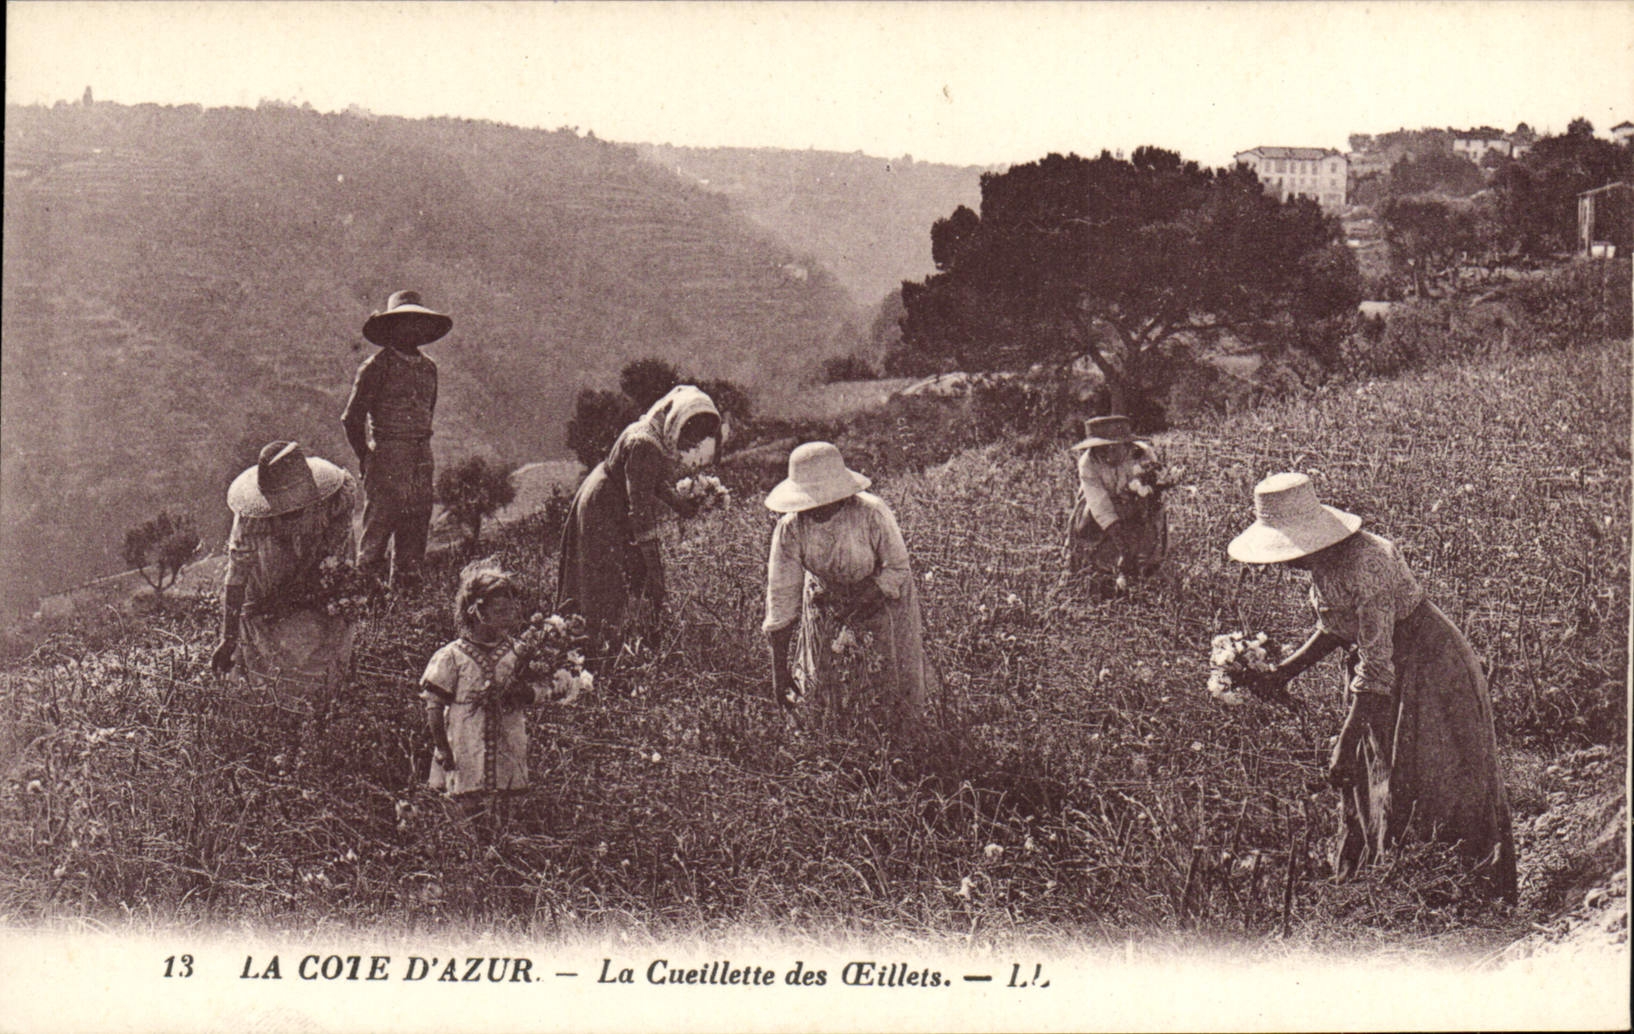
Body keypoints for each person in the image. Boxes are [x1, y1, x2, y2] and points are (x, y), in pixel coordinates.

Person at [1228, 472, 1517, 901]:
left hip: (1428, 666)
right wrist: (1282, 672)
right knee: (1382, 774)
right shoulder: (1323, 563)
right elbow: (1334, 626)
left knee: (1433, 774)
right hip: (1382, 673)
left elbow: (1377, 663)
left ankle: (1456, 889)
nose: (1285, 563)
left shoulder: (1369, 562)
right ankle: (1399, 882)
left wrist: (1346, 739)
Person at [762, 442, 935, 731]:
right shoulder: (791, 529)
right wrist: (779, 672)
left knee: (889, 684)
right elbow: (781, 599)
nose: (814, 508)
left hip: (883, 601)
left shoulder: (870, 513)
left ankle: (899, 741)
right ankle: (837, 739)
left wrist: (864, 599)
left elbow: (898, 567)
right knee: (826, 685)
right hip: (826, 604)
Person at [420, 561, 580, 842]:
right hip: (466, 742)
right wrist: (442, 748)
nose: (508, 617)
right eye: (499, 611)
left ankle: (502, 849)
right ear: (476, 611)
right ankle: (471, 853)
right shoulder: (452, 656)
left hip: (508, 736)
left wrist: (525, 694)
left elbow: (543, 686)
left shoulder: (520, 652)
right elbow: (434, 705)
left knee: (506, 801)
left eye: (510, 609)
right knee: (467, 804)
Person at [557, 385, 721, 657]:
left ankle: (615, 648)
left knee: (621, 581)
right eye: (690, 434)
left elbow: (650, 482)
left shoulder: (654, 431)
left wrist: (681, 505)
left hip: (612, 501)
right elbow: (640, 509)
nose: (691, 443)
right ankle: (596, 654)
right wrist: (652, 558)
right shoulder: (644, 443)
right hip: (604, 508)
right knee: (603, 583)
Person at [211, 441, 360, 738]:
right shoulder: (252, 520)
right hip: (271, 577)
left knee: (323, 643)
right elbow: (236, 576)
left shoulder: (335, 502)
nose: (285, 515)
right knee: (269, 662)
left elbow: (333, 564)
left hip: (319, 576)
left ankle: (321, 723)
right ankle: (281, 726)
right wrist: (228, 638)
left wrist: (295, 596)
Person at [341, 289, 449, 590]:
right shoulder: (376, 367)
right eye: (404, 322)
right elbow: (352, 418)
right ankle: (367, 608)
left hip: (421, 460)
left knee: (414, 539)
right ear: (391, 327)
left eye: (417, 322)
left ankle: (406, 612)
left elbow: (428, 413)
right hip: (387, 458)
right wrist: (368, 457)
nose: (411, 329)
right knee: (376, 537)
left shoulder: (429, 369)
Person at [1064, 415, 1167, 587]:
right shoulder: (1088, 463)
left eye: (1112, 448)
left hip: (1138, 500)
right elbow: (1100, 505)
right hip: (1102, 500)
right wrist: (1124, 550)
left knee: (1151, 534)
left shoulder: (1143, 455)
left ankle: (1149, 573)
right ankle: (1080, 573)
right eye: (1100, 449)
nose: (1106, 454)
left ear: (1125, 444)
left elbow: (1152, 492)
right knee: (1083, 525)